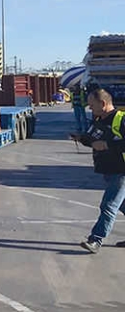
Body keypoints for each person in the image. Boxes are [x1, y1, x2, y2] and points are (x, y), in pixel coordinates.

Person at [69, 88, 125, 253]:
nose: (89, 108)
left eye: (92, 105)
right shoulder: (98, 120)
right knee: (121, 205)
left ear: (103, 103)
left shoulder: (121, 120)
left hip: (121, 171)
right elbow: (93, 139)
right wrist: (81, 138)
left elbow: (108, 143)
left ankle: (96, 240)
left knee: (109, 205)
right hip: (108, 169)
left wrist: (108, 145)